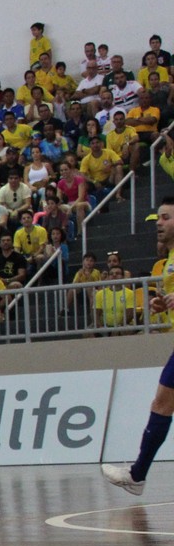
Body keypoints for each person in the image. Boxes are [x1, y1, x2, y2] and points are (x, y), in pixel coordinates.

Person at [103, 196, 174, 494]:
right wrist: (163, 305)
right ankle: (137, 475)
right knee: (162, 404)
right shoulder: (169, 260)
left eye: (166, 217)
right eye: (158, 218)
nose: (159, 223)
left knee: (162, 404)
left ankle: (137, 475)